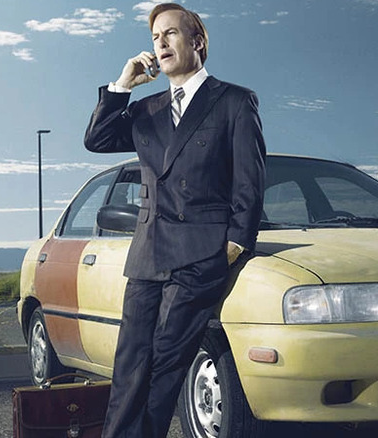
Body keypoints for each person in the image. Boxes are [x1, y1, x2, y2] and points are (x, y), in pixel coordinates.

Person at [83, 3, 266, 436]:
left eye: (170, 34)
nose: (161, 44)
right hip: (147, 255)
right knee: (130, 365)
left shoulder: (234, 101)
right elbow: (97, 139)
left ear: (197, 41)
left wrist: (234, 244)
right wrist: (123, 83)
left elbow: (250, 181)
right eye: (154, 38)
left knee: (164, 363)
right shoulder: (145, 110)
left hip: (200, 256)